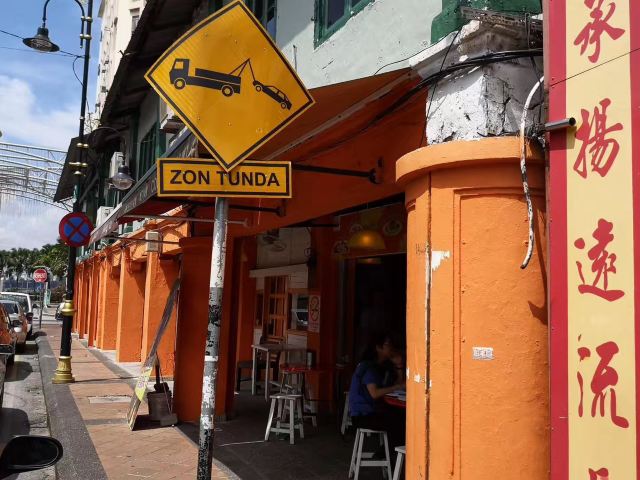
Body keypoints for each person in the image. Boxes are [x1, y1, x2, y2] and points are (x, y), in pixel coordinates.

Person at [348, 332, 406, 455]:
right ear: (378, 347)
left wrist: (399, 365)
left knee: (398, 417)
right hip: (363, 416)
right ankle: (388, 456)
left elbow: (398, 385)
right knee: (399, 422)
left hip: (372, 411)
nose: (391, 347)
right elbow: (374, 393)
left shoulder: (381, 366)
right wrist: (397, 386)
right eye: (387, 344)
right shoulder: (369, 367)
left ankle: (386, 453)